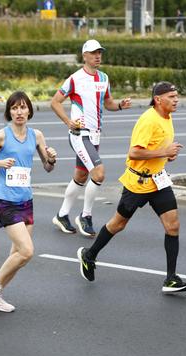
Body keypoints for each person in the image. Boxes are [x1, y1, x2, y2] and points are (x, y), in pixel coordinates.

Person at [77, 82, 186, 293]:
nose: (176, 100)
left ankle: (171, 279)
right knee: (118, 224)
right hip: (138, 183)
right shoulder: (149, 120)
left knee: (173, 225)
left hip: (158, 181)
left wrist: (167, 155)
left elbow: (158, 149)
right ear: (158, 99)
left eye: (177, 96)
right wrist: (164, 152)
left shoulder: (167, 116)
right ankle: (89, 255)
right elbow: (134, 153)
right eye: (172, 96)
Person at [0, 91, 57, 312]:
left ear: (29, 110)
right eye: (14, 108)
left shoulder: (37, 135)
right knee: (27, 251)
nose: (19, 112)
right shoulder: (1, 136)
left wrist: (52, 157)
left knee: (17, 255)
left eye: (23, 107)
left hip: (26, 200)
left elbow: (48, 167)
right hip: (5, 200)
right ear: (9, 112)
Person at [50, 39, 132, 237]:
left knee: (81, 176)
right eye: (94, 53)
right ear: (84, 55)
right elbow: (55, 102)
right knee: (99, 173)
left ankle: (62, 215)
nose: (98, 56)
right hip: (79, 134)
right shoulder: (75, 78)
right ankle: (85, 216)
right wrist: (68, 122)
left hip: (95, 136)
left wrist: (120, 105)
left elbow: (108, 103)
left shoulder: (104, 78)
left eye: (100, 53)